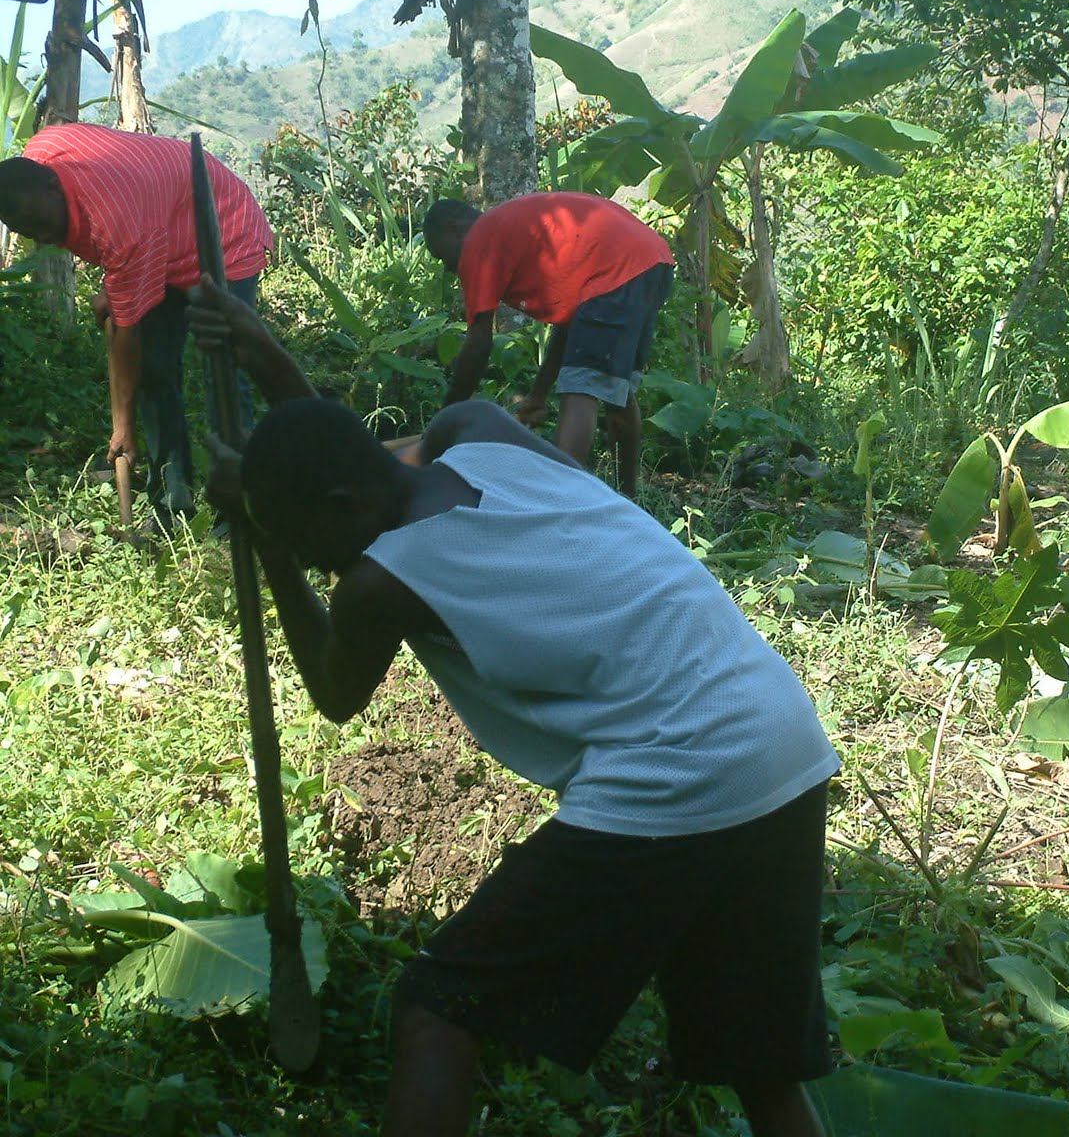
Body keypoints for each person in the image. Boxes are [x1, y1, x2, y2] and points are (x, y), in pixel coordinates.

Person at [188, 280, 837, 1137]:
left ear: (336, 518)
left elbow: (335, 694)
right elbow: (352, 464)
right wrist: (269, 361)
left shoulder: (382, 585)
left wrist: (266, 538)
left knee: (436, 1011)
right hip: (781, 740)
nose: (320, 569)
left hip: (675, 774)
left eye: (314, 549)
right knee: (759, 1065)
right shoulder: (481, 432)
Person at [0, 123, 272, 532]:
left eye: (41, 222)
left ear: (55, 188)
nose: (41, 237)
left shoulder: (117, 225)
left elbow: (124, 339)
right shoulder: (43, 151)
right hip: (157, 240)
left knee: (223, 372)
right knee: (155, 372)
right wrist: (122, 283)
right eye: (26, 231)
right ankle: (171, 506)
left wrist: (122, 426)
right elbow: (131, 258)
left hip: (223, 229)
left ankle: (238, 512)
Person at [424, 193, 674, 498]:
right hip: (651, 260)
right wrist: (538, 395)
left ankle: (558, 501)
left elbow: (478, 345)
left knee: (582, 389)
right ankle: (630, 498)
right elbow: (571, 328)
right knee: (617, 391)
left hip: (616, 265)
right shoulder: (507, 229)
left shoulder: (479, 239)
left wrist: (444, 424)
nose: (449, 268)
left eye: (442, 256)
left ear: (454, 229)